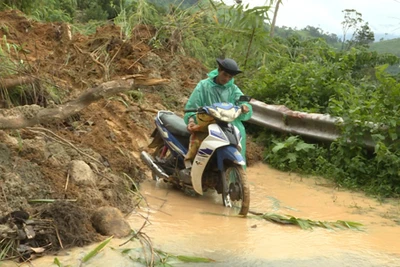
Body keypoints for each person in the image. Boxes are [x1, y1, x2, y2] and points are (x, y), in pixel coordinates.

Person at [183, 58, 253, 168]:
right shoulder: (203, 86)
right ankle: (189, 168)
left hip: (229, 125)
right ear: (219, 70)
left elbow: (243, 102)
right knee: (197, 144)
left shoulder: (233, 89)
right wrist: (191, 120)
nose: (226, 79)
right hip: (208, 124)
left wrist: (245, 107)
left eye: (230, 77)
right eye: (225, 74)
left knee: (239, 138)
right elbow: (192, 108)